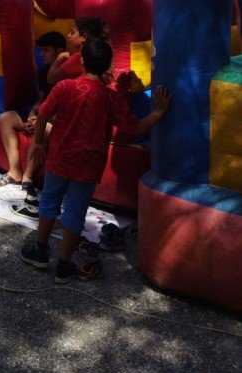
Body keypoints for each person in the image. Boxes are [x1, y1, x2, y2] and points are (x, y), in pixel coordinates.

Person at [20, 37, 171, 283]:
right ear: (108, 65)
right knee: (75, 212)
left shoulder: (64, 87)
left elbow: (44, 114)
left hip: (59, 158)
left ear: (82, 63)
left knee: (49, 201)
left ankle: (39, 250)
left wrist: (37, 143)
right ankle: (63, 265)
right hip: (87, 166)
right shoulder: (111, 99)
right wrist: (159, 111)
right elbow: (135, 128)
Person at [0, 31, 67, 197]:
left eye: (46, 50)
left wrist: (40, 120)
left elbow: (65, 109)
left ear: (59, 51)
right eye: (41, 50)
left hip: (55, 119)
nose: (42, 54)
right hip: (42, 114)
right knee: (5, 118)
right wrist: (33, 114)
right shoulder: (43, 71)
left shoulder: (68, 74)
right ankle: (14, 171)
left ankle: (28, 176)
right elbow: (40, 99)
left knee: (43, 128)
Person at [47, 16, 110, 86]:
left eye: (72, 32)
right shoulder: (97, 54)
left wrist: (59, 58)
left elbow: (51, 78)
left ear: (84, 36)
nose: (68, 35)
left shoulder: (79, 56)